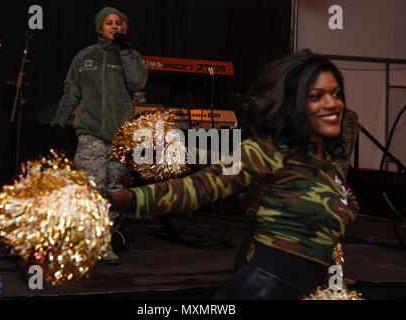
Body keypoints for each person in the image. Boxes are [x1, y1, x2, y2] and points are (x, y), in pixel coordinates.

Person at [107, 50, 359, 299]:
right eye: (317, 96)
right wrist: (125, 198)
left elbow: (339, 221)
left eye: (336, 94)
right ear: (292, 105)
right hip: (262, 285)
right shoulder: (265, 151)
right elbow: (198, 188)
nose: (332, 103)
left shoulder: (329, 168)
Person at [49, 7, 148, 264]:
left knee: (115, 189)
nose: (114, 27)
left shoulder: (131, 55)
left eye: (118, 23)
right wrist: (59, 120)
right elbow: (71, 91)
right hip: (90, 132)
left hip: (119, 133)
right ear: (100, 28)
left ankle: (104, 241)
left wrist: (126, 52)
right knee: (90, 187)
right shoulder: (84, 57)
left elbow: (138, 83)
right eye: (109, 23)